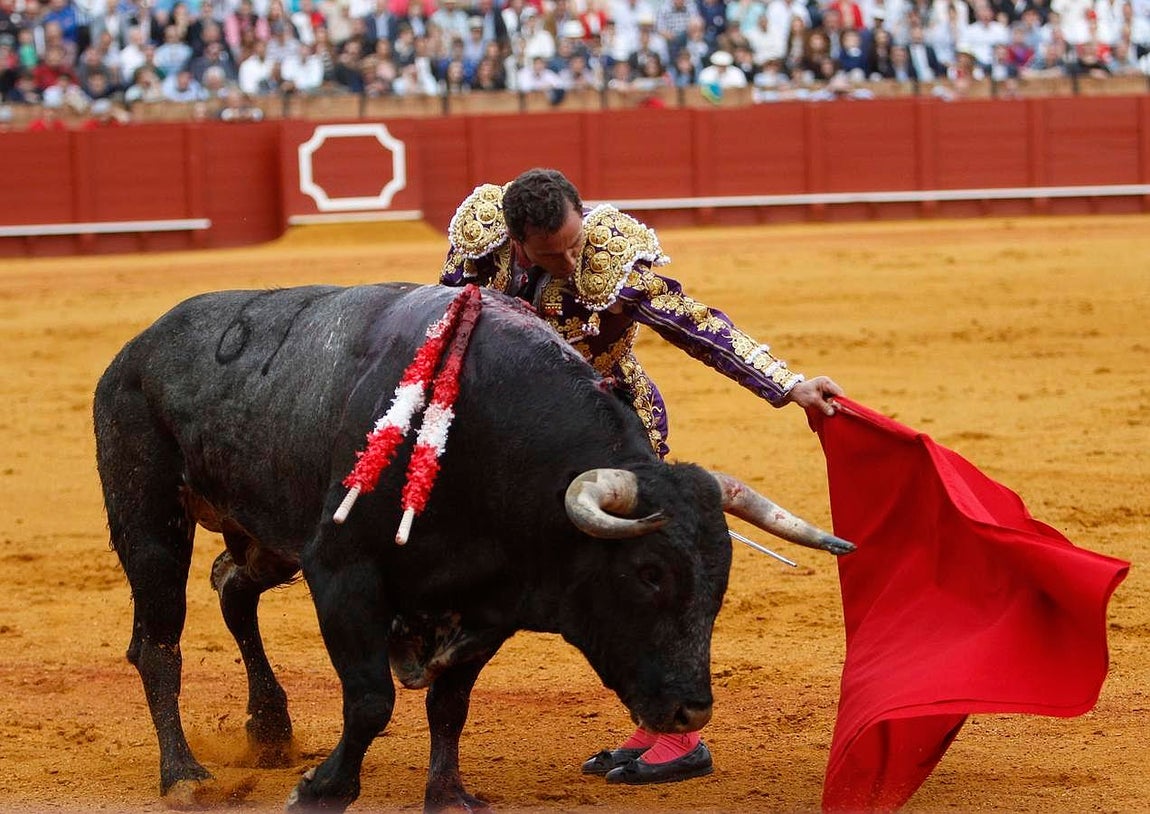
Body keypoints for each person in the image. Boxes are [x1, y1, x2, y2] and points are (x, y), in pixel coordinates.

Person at [439, 168, 843, 785]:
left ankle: (677, 735)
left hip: (614, 436)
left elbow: (698, 324)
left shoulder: (614, 256)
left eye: (577, 242)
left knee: (643, 582)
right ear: (517, 243)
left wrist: (787, 385)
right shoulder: (479, 248)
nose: (573, 259)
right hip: (512, 447)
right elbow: (437, 330)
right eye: (554, 253)